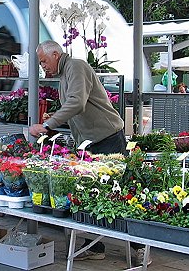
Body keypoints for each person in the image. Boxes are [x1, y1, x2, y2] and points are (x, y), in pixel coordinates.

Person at [28, 41, 150, 265]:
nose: (43, 66)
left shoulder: (76, 66)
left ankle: (140, 246)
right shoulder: (64, 73)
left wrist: (48, 125)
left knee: (119, 192)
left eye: (44, 61)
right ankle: (97, 246)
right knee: (91, 193)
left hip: (108, 139)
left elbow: (76, 102)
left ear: (56, 54)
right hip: (90, 143)